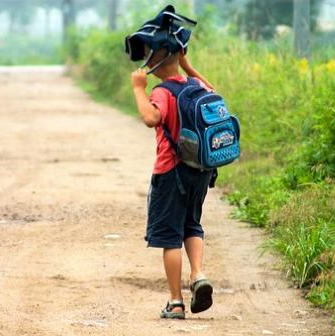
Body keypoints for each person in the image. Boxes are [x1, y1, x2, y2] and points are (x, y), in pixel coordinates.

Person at [130, 37, 215, 319]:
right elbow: (212, 92)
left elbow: (151, 118)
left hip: (170, 173)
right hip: (200, 171)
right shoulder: (195, 86)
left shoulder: (163, 92)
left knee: (170, 238)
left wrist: (139, 89)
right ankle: (198, 273)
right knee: (192, 224)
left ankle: (176, 302)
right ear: (180, 55)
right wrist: (189, 67)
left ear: (152, 63)